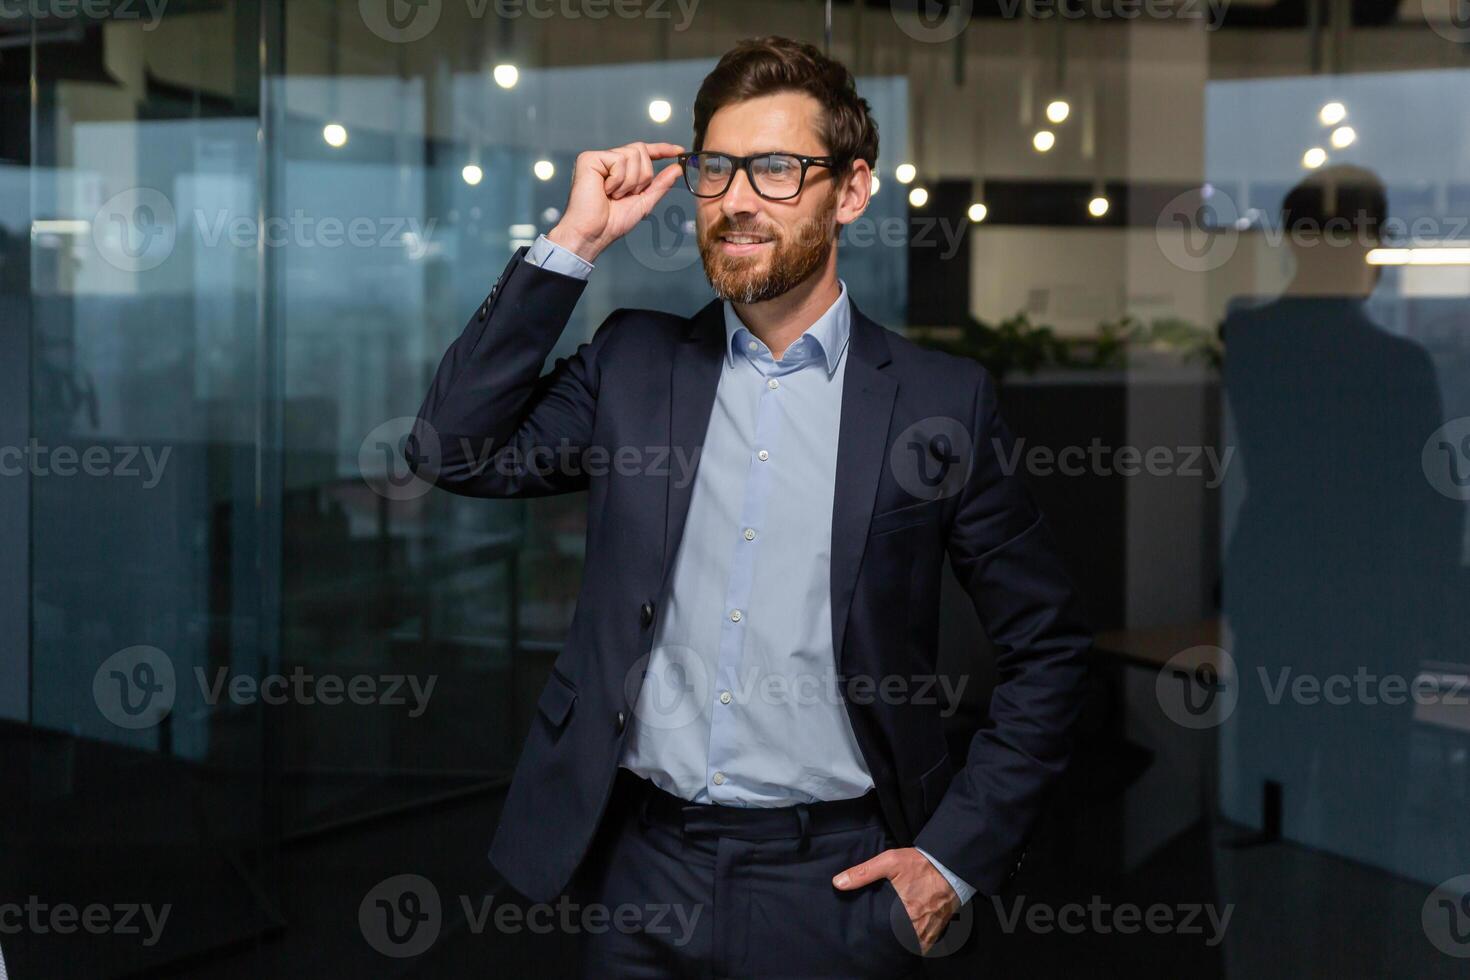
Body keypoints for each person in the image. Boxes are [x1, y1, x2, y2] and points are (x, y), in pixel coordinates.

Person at [408, 36, 1090, 978]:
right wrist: (573, 243)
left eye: (776, 170)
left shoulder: (939, 402)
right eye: (717, 169)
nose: (736, 198)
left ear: (849, 191)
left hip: (841, 884)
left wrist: (951, 862)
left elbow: (1047, 646)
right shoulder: (633, 364)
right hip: (639, 872)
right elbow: (453, 447)